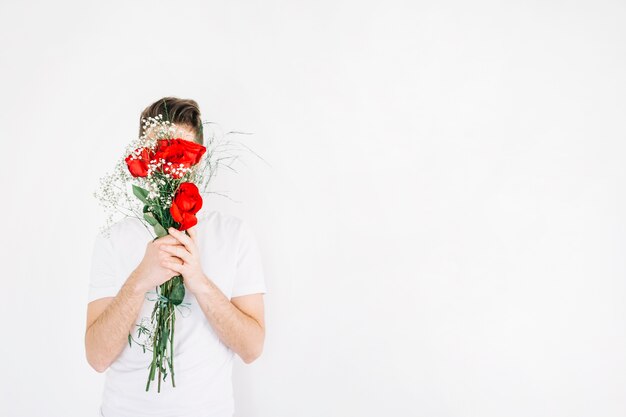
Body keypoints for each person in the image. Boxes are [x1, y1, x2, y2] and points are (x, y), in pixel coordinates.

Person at [84, 97, 267, 417]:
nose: (170, 167)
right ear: (144, 156)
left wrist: (198, 280)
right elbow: (97, 357)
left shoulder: (234, 235)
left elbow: (252, 349)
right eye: (160, 153)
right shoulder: (112, 239)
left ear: (198, 162)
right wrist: (140, 279)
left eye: (182, 155)